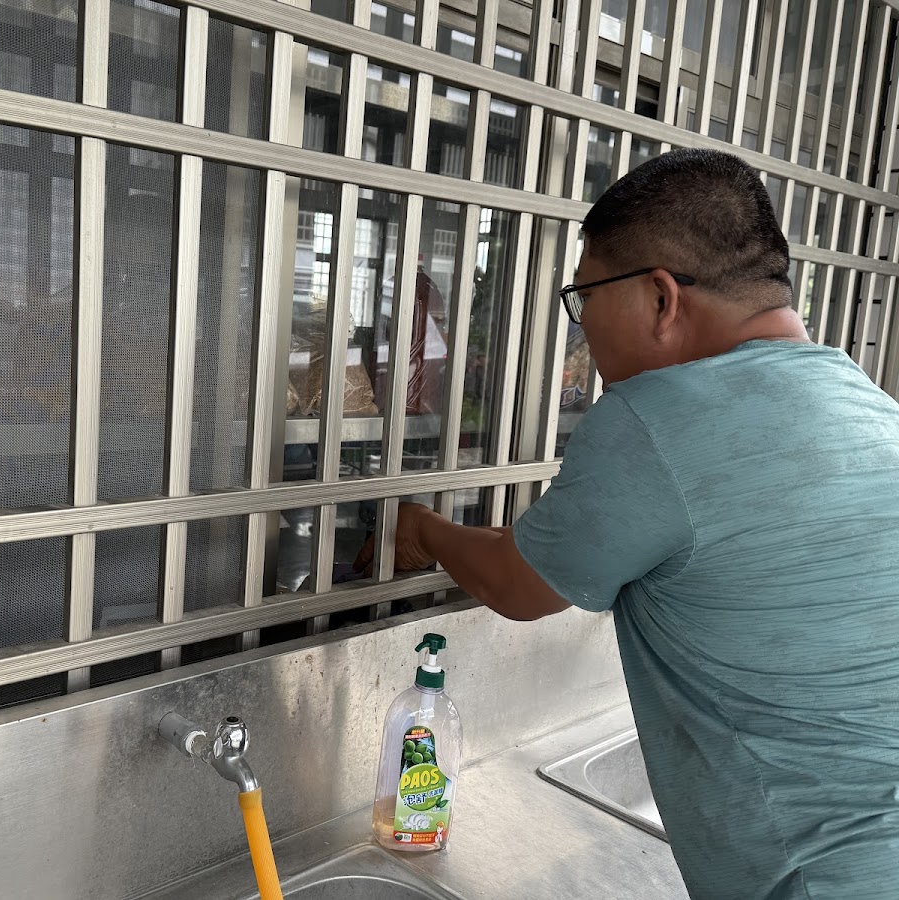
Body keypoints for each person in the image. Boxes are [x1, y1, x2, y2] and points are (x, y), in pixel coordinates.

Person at [356, 148, 899, 899]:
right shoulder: (870, 407)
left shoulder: (659, 417)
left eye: (584, 298)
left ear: (660, 297)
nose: (582, 333)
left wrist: (421, 529)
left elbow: (517, 585)